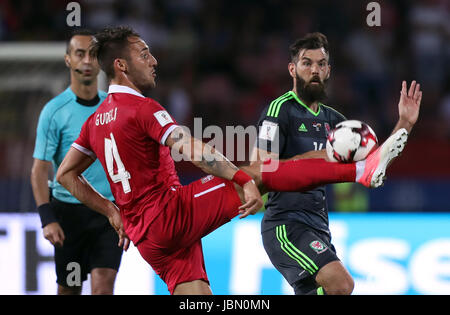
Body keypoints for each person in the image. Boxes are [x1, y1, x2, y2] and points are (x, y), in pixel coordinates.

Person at [55, 26, 417, 295]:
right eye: (144, 53)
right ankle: (359, 172)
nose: (154, 60)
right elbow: (195, 150)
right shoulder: (143, 109)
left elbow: (66, 175)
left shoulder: (93, 121)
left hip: (147, 237)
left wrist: (111, 211)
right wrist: (242, 181)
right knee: (261, 172)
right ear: (121, 65)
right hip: (169, 213)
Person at [250, 32, 422, 295]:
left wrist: (404, 124)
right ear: (292, 69)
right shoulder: (279, 111)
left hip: (320, 228)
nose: (315, 70)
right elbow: (261, 168)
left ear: (329, 70)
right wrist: (323, 157)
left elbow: (375, 162)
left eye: (321, 64)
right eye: (307, 63)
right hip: (285, 224)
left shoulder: (336, 123)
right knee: (341, 284)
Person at [30, 29, 123, 295]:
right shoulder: (54, 111)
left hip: (108, 212)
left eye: (93, 54)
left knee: (104, 288)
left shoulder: (114, 106)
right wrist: (47, 217)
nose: (86, 60)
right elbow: (39, 168)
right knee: (70, 289)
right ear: (68, 60)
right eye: (79, 54)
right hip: (69, 214)